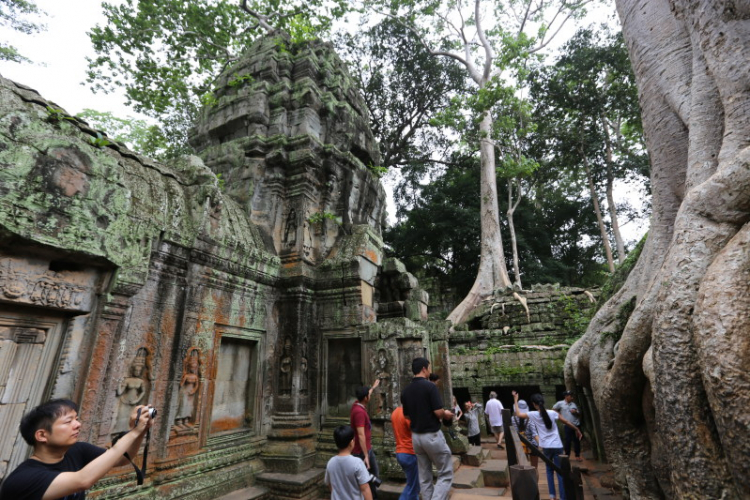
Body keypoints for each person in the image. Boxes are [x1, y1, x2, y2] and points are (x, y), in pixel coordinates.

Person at [0, 399, 153, 500]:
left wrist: (140, 431)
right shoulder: (24, 479)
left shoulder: (78, 451)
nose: (78, 425)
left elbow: (122, 458)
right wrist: (133, 433)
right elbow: (82, 481)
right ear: (42, 435)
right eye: (68, 421)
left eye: (77, 419)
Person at [401, 357, 454, 500]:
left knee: (424, 476)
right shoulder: (430, 387)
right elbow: (438, 412)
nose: (430, 371)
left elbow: (406, 416)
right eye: (429, 368)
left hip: (416, 437)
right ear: (424, 369)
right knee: (445, 472)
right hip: (431, 435)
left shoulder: (406, 391)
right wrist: (446, 414)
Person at [514, 391, 582, 500]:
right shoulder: (552, 413)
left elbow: (518, 414)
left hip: (546, 446)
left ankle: (552, 496)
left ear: (534, 404)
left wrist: (515, 400)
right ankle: (563, 497)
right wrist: (577, 429)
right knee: (560, 472)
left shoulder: (533, 414)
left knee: (549, 471)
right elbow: (566, 422)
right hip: (557, 445)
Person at [324, 425, 373, 500]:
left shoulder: (331, 462)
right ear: (351, 442)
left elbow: (329, 484)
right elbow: (365, 489)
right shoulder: (357, 463)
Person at [351, 379, 380, 499]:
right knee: (368, 478)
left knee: (373, 475)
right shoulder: (359, 412)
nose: (370, 395)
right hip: (361, 452)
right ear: (365, 398)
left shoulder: (358, 404)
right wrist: (366, 455)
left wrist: (373, 386)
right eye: (369, 395)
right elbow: (361, 434)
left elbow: (368, 392)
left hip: (367, 449)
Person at [390, 406, 419, 500]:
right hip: (409, 452)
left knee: (414, 486)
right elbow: (415, 431)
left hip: (400, 452)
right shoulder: (407, 414)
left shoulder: (395, 412)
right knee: (412, 487)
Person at [511, 398, 539, 472]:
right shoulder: (530, 418)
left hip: (519, 445)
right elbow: (534, 434)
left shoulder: (512, 419)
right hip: (532, 444)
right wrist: (538, 444)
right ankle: (535, 483)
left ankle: (525, 482)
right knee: (534, 468)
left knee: (523, 467)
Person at [553, 391, 582, 461]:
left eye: (571, 396)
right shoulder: (560, 403)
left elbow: (579, 413)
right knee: (567, 440)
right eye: (570, 396)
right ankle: (567, 455)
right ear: (566, 396)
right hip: (567, 425)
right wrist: (559, 414)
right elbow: (553, 409)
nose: (571, 397)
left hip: (575, 425)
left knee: (576, 440)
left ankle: (577, 455)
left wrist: (576, 412)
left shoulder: (573, 404)